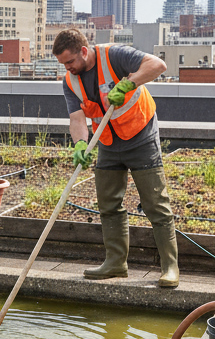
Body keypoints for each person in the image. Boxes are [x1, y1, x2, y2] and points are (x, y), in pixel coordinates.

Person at [53, 28, 178, 287]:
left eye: (70, 61)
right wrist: (80, 144)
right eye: (63, 64)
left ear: (83, 51)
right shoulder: (70, 81)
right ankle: (116, 263)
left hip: (140, 136)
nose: (67, 68)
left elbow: (158, 65)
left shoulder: (114, 56)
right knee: (109, 204)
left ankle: (169, 267)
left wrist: (130, 82)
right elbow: (77, 118)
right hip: (108, 142)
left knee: (155, 204)